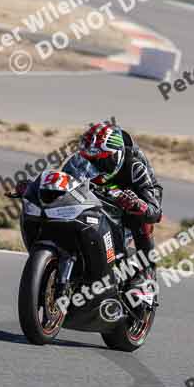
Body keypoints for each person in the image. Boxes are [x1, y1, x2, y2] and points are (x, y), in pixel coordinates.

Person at [76, 120, 163, 310]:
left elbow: (155, 212)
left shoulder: (134, 166)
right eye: (89, 160)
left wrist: (139, 205)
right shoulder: (81, 160)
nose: (95, 165)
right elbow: (64, 177)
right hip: (98, 193)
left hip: (135, 194)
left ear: (116, 155)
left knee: (143, 220)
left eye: (102, 160)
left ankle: (146, 277)